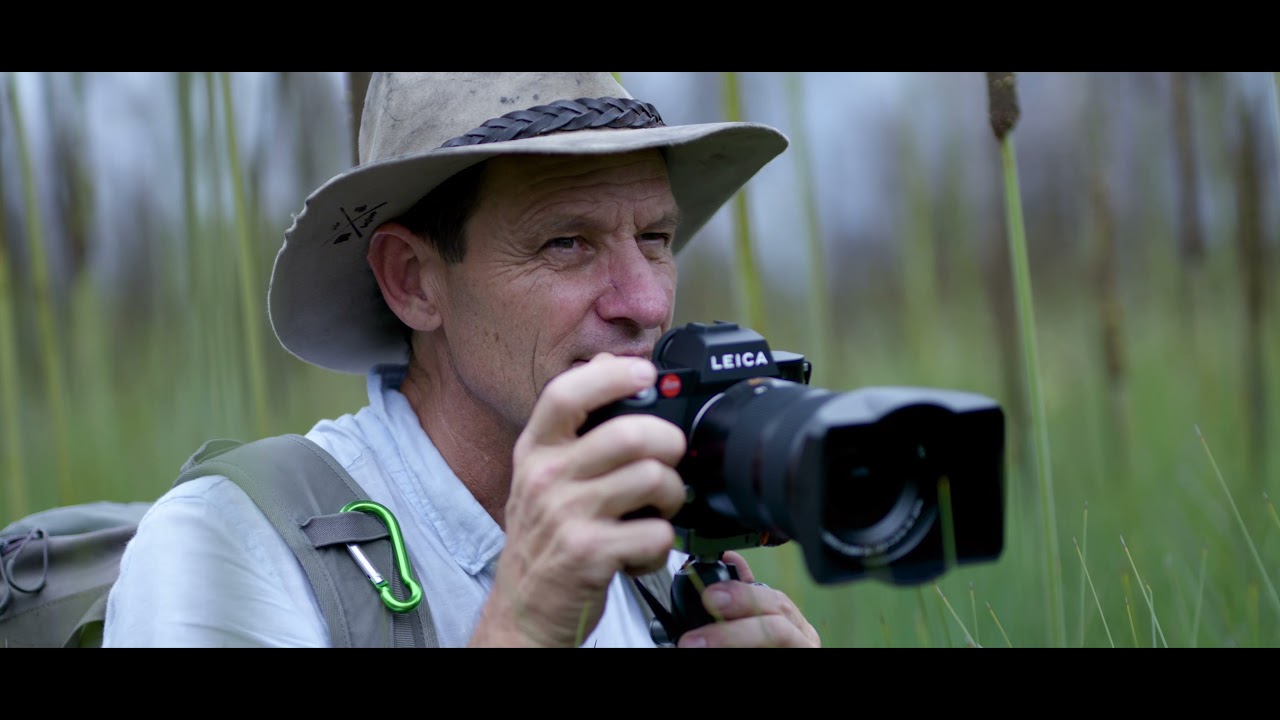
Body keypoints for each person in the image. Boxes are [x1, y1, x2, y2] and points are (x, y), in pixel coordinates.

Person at [103, 72, 822, 648]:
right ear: (413, 282)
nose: (645, 301)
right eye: (566, 242)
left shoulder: (659, 556)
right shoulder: (227, 545)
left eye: (656, 238)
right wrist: (523, 627)